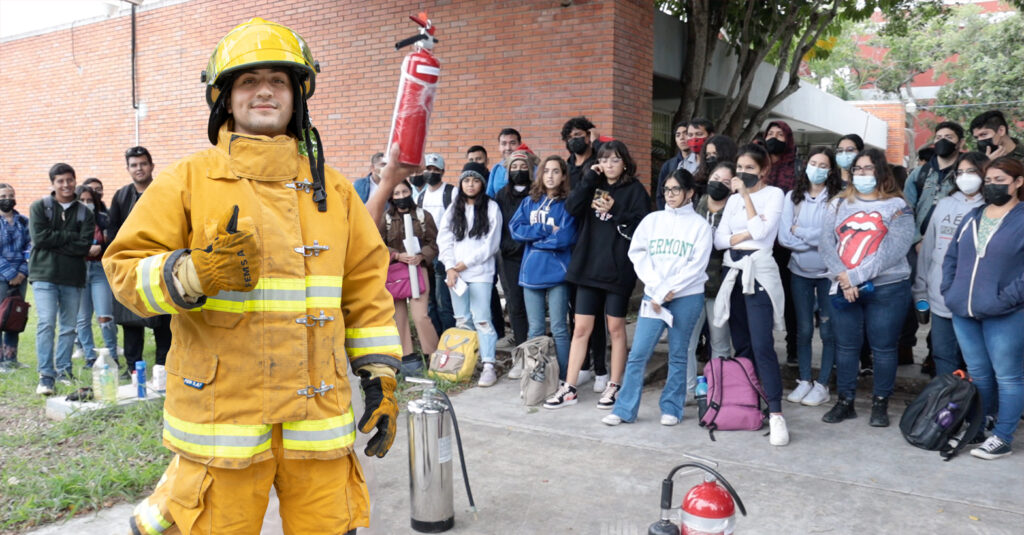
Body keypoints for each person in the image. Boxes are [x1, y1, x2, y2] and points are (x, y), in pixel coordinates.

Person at [105, 18, 407, 534]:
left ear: (297, 97)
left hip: (317, 423)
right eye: (248, 80)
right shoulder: (188, 180)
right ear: (225, 98)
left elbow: (366, 293)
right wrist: (191, 274)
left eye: (278, 79)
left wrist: (380, 376)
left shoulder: (333, 192)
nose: (264, 89)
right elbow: (125, 270)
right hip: (223, 422)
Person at [545, 140, 650, 409]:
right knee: (581, 328)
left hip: (618, 268)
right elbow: (571, 208)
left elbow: (642, 225)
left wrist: (614, 211)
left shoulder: (635, 189)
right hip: (588, 266)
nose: (609, 165)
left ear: (624, 162)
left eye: (615, 160)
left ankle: (614, 384)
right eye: (604, 160)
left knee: (615, 328)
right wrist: (589, 178)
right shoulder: (593, 183)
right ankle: (569, 387)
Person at [603, 169, 711, 426]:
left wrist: (670, 289)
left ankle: (672, 408)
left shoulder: (700, 226)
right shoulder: (652, 220)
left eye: (675, 189)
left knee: (678, 352)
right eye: (666, 189)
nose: (670, 195)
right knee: (639, 352)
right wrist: (657, 287)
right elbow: (637, 252)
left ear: (690, 193)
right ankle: (624, 409)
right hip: (653, 296)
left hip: (686, 296)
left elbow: (697, 265)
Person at [819, 148, 914, 428]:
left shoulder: (898, 207)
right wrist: (842, 277)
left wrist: (855, 277)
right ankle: (845, 401)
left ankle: (880, 402)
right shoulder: (837, 204)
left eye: (868, 168)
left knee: (883, 348)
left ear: (881, 171)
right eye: (857, 168)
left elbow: (893, 251)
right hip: (844, 286)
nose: (862, 173)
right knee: (846, 347)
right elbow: (826, 243)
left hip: (887, 290)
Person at [941, 156, 1024, 460]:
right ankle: (981, 422)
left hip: (1006, 313)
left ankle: (1002, 436)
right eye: (988, 181)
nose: (992, 186)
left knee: (1009, 376)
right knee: (980, 373)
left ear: (1018, 182)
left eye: (1000, 181)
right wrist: (949, 292)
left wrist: (1005, 300)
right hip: (964, 311)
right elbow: (952, 257)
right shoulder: (973, 216)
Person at [712, 144, 788, 446]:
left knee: (762, 344)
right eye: (739, 168)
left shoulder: (774, 195)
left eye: (750, 169)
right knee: (741, 343)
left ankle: (777, 412)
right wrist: (743, 235)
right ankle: (749, 401)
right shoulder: (730, 201)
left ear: (764, 170)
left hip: (759, 274)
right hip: (733, 273)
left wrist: (745, 197)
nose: (742, 174)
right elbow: (719, 241)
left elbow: (763, 234)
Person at [778, 147, 844, 407]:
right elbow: (784, 238)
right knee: (803, 329)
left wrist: (801, 232)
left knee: (828, 330)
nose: (816, 168)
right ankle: (804, 379)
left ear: (831, 170)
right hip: (799, 272)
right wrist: (814, 238)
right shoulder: (792, 197)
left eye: (823, 164)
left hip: (829, 273)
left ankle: (822, 384)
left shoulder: (838, 199)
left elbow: (834, 237)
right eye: (813, 163)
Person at [912, 152, 987, 377]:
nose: (965, 178)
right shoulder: (944, 204)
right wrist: (920, 291)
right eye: (960, 172)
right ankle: (946, 405)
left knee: (975, 359)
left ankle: (976, 408)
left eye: (972, 172)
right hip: (939, 297)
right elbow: (928, 251)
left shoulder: (992, 208)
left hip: (975, 301)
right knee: (943, 356)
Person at [509, 155, 578, 379]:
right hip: (531, 272)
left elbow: (566, 238)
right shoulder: (530, 201)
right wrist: (543, 231)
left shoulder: (567, 203)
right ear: (540, 174)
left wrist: (535, 238)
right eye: (546, 171)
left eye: (556, 171)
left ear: (563, 176)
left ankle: (565, 378)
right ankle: (534, 377)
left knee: (559, 328)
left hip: (558, 273)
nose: (550, 175)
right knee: (535, 329)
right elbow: (515, 229)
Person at [108, 146, 172, 381]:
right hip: (132, 267)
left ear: (151, 166)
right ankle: (133, 368)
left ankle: (164, 368)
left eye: (143, 163)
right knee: (131, 319)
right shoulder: (121, 196)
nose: (139, 168)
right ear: (128, 169)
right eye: (134, 165)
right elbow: (112, 231)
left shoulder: (165, 191)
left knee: (163, 319)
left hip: (159, 263)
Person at [29, 163, 94, 395]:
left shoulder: (85, 212)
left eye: (69, 180)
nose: (66, 185)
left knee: (68, 327)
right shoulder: (40, 207)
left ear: (75, 181)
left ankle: (64, 371)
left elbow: (84, 246)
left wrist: (57, 240)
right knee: (46, 323)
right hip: (44, 275)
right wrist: (70, 238)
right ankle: (46, 376)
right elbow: (40, 238)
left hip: (72, 278)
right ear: (53, 184)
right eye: (60, 181)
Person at [437, 162, 502, 387]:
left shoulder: (491, 207)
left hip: (480, 273)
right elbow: (443, 239)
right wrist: (449, 267)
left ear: (482, 184)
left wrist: (461, 265)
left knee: (482, 319)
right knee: (462, 319)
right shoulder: (454, 208)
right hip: (455, 274)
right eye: (466, 180)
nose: (470, 184)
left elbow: (490, 245)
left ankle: (488, 365)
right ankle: (466, 363)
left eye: (475, 180)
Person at [380, 179, 439, 373]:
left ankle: (434, 356)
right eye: (396, 194)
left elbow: (435, 243)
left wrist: (421, 256)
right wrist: (397, 255)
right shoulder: (385, 219)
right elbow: (377, 244)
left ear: (410, 192)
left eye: (404, 192)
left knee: (421, 315)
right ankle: (408, 359)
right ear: (391, 197)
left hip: (418, 270)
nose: (401, 197)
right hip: (394, 273)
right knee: (399, 317)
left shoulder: (423, 216)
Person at [762, 121, 799, 366]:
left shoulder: (796, 168)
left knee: (790, 299)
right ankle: (763, 347)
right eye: (770, 134)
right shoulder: (757, 164)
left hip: (785, 246)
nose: (774, 138)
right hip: (760, 242)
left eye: (780, 135)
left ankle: (793, 347)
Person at [495, 147, 537, 351]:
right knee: (516, 303)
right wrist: (506, 246)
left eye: (523, 166)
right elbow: (497, 226)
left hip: (534, 255)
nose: (518, 170)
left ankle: (537, 346)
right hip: (510, 257)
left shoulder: (537, 193)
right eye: (514, 167)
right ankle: (522, 349)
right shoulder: (501, 196)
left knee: (535, 304)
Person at [73, 185, 118, 368]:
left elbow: (114, 242)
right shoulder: (70, 220)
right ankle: (90, 357)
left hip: (100, 269)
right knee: (82, 318)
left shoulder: (103, 218)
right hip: (79, 270)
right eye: (81, 200)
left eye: (89, 200)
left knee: (105, 316)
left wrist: (102, 248)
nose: (85, 204)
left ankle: (112, 355)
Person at [695, 162, 735, 361]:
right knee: (688, 341)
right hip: (693, 284)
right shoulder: (697, 204)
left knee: (719, 341)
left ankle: (721, 386)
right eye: (716, 179)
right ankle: (687, 389)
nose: (719, 184)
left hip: (719, 285)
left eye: (726, 181)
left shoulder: (734, 209)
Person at [417, 153, 456, 334]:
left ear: (442, 171)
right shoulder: (421, 196)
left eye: (435, 169)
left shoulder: (451, 192)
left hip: (445, 254)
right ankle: (437, 340)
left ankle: (449, 338)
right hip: (427, 253)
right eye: (428, 169)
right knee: (430, 302)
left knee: (444, 303)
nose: (431, 172)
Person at [0, 183, 31, 370]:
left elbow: (30, 247)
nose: (7, 199)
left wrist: (21, 273)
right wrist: (10, 273)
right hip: (1, 276)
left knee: (14, 316)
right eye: (3, 196)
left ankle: (11, 358)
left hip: (21, 276)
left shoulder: (23, 221)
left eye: (10, 195)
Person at [692, 134, 738, 199]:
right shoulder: (699, 183)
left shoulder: (737, 181)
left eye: (715, 154)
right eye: (708, 154)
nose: (711, 158)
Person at [655, 121, 689, 205]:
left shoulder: (700, 162)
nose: (682, 138)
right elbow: (660, 194)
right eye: (678, 135)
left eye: (686, 133)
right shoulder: (669, 165)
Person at [485, 128, 521, 198]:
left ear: (520, 144)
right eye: (504, 144)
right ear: (499, 147)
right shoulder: (496, 169)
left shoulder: (532, 167)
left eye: (512, 143)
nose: (508, 148)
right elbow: (489, 196)